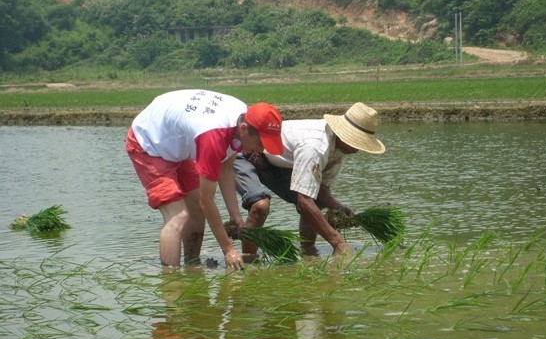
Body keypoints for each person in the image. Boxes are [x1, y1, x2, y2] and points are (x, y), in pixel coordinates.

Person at [125, 89, 284, 270]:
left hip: (179, 144)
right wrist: (228, 249)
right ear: (244, 129)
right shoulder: (213, 135)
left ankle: (191, 268)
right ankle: (173, 284)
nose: (261, 149)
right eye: (261, 143)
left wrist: (236, 216)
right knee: (178, 217)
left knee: (196, 214)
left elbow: (226, 170)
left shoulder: (244, 118)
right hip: (149, 143)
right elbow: (206, 201)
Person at [234, 102, 385, 257]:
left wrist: (337, 207)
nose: (358, 149)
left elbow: (321, 189)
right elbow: (304, 203)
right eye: (357, 142)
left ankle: (308, 253)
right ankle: (248, 261)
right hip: (247, 152)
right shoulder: (315, 147)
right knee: (260, 206)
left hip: (275, 162)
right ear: (345, 135)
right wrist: (338, 243)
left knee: (317, 201)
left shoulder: (340, 148)